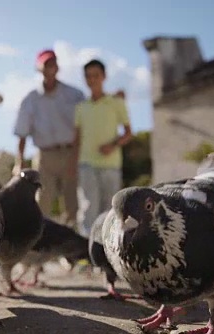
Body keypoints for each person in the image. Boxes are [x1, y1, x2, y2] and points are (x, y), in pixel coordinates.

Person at [13, 49, 85, 227]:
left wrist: (76, 157)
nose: (50, 68)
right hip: (45, 156)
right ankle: (39, 243)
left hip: (71, 153)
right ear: (39, 68)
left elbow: (82, 128)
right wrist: (19, 162)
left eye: (52, 63)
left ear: (57, 67)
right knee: (42, 201)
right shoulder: (30, 100)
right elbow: (22, 133)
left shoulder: (75, 95)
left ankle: (72, 248)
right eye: (46, 64)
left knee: (72, 202)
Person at [73, 59, 132, 235]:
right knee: (88, 207)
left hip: (111, 165)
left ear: (104, 77)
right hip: (86, 164)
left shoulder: (116, 103)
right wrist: (72, 165)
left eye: (96, 75)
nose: (92, 79)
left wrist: (112, 145)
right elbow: (76, 139)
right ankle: (86, 252)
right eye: (88, 76)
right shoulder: (81, 108)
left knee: (110, 209)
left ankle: (108, 252)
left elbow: (128, 133)